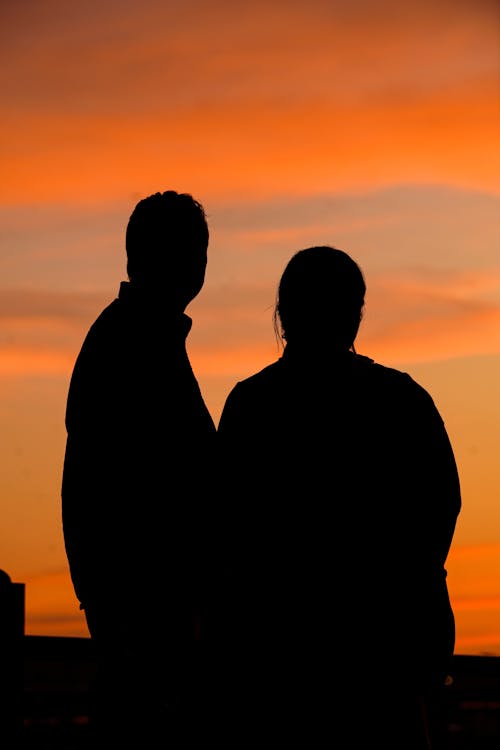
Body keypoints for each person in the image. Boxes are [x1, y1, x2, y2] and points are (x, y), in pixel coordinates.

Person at [215, 245, 461, 748]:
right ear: (357, 315)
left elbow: (226, 528)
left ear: (283, 314)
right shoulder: (402, 402)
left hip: (275, 663)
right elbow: (440, 510)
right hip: (383, 661)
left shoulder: (252, 407)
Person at [61, 190, 216, 746]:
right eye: (190, 250)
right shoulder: (134, 345)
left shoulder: (142, 338)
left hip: (148, 617)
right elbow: (104, 490)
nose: (198, 265)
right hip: (148, 620)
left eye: (200, 251)